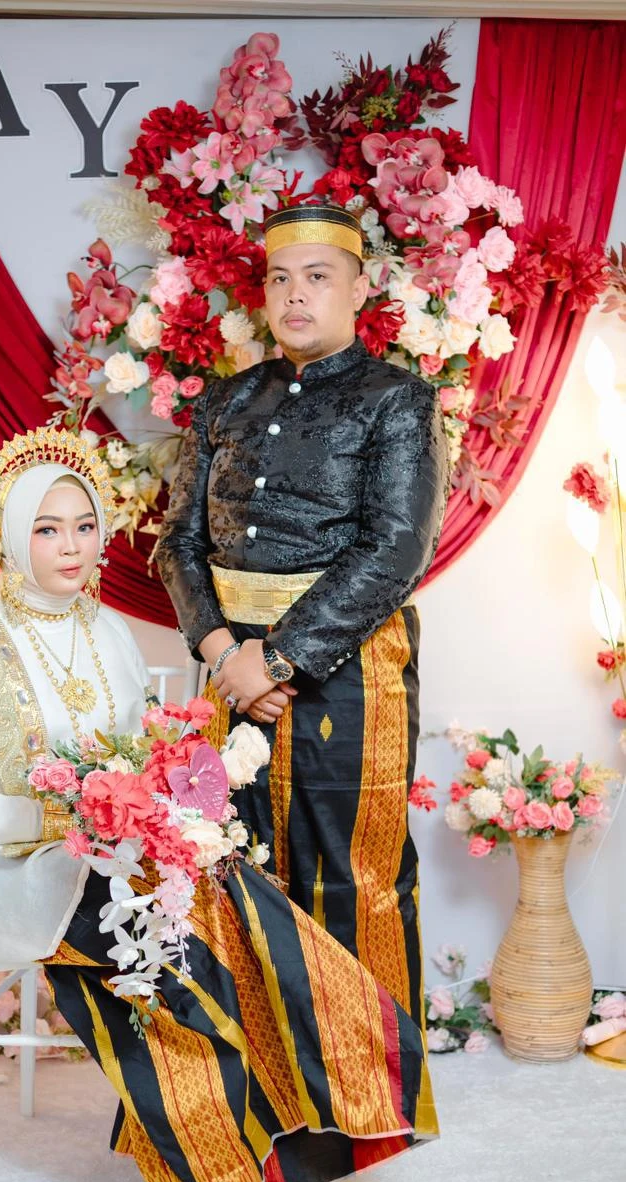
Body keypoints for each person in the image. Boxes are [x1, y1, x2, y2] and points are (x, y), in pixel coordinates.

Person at [0, 425, 437, 1182]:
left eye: (84, 525)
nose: (73, 546)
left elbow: (148, 750)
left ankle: (318, 1116)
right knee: (173, 942)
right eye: (47, 529)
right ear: (8, 537)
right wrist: (68, 818)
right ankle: (205, 1178)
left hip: (118, 851)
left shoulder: (106, 632)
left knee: (243, 907)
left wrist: (170, 812)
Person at [156, 203, 449, 1030]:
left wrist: (276, 661)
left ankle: (363, 1082)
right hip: (229, 672)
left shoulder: (398, 400)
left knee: (349, 877)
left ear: (358, 289)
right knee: (229, 866)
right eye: (280, 278)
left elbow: (395, 551)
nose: (295, 295)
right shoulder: (225, 402)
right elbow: (177, 541)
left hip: (347, 675)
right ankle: (261, 1078)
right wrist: (225, 653)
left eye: (317, 277)